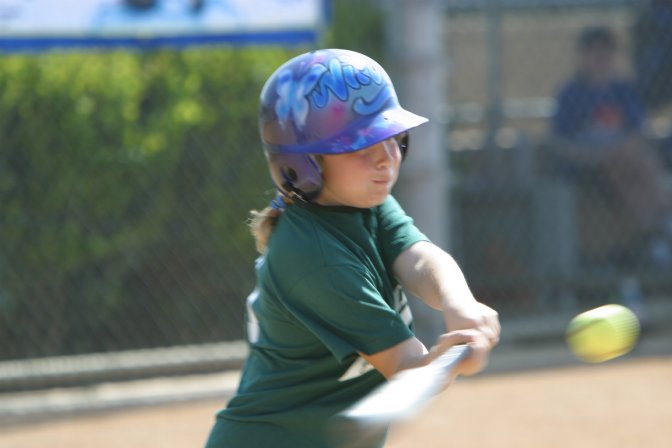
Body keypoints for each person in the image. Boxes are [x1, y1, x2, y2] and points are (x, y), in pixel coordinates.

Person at [205, 49, 500, 448]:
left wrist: (458, 304)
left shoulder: (362, 201)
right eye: (362, 146)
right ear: (306, 164)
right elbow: (406, 365)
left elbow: (417, 257)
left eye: (391, 138)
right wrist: (449, 359)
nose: (387, 159)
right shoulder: (314, 258)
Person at [548, 25, 671, 268]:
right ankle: (662, 228)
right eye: (594, 53)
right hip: (586, 165)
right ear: (582, 56)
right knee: (624, 162)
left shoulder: (622, 90)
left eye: (606, 52)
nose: (601, 59)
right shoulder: (571, 93)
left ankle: (654, 240)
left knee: (628, 163)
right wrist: (597, 154)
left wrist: (619, 150)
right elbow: (560, 142)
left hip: (625, 163)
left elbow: (638, 132)